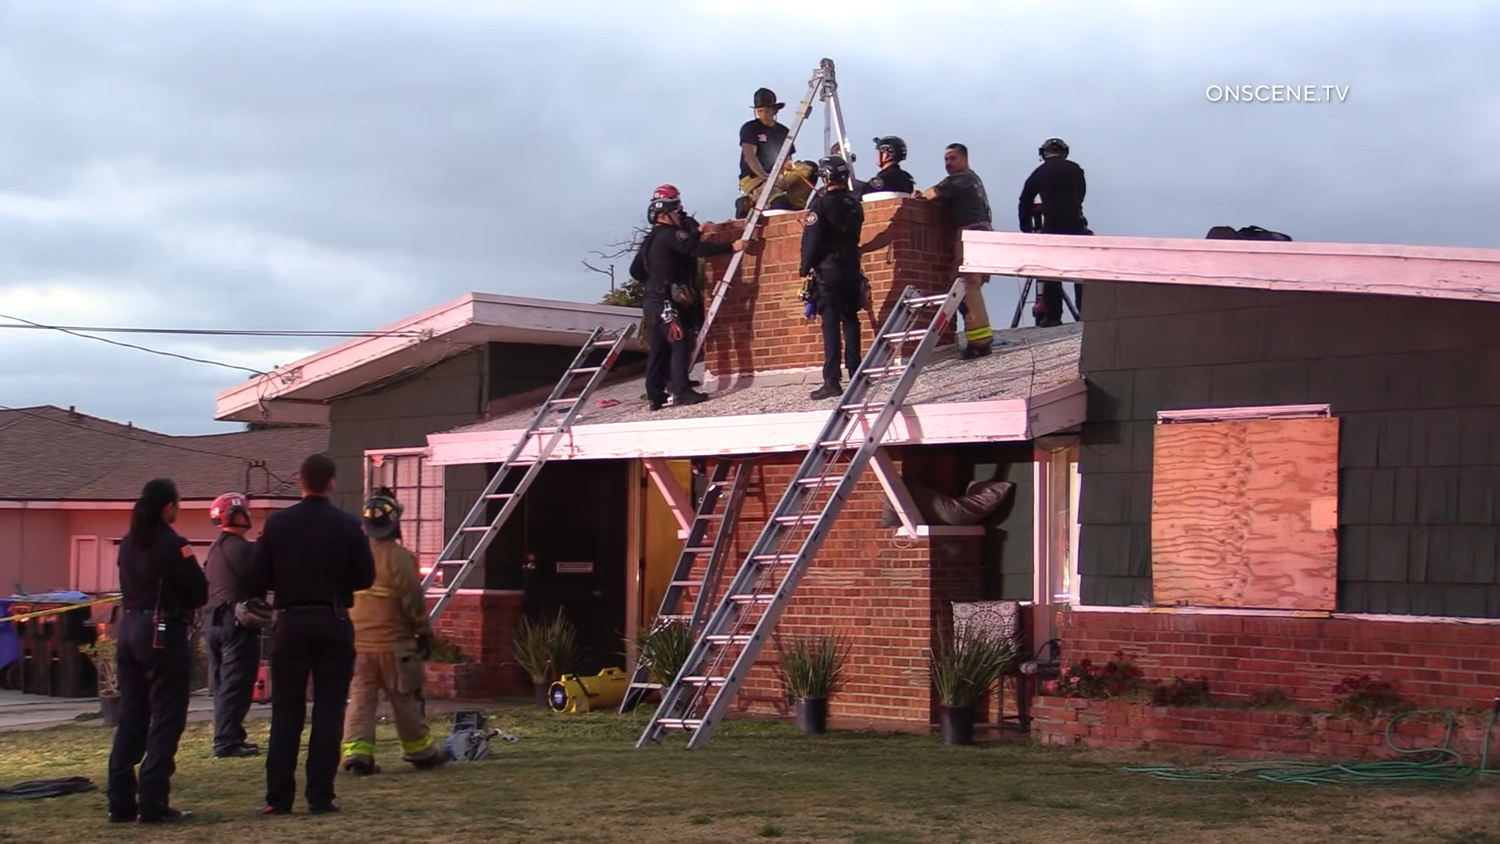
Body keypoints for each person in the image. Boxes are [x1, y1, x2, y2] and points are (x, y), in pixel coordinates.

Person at [248, 453, 376, 816]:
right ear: (331, 483)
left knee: (286, 712)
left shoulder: (276, 525)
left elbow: (256, 579)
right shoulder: (348, 525)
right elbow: (365, 577)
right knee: (328, 711)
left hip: (289, 620)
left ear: (301, 482)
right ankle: (320, 796)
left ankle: (278, 798)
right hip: (333, 618)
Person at [106, 477, 208, 824]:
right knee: (166, 717)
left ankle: (120, 800)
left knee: (131, 717)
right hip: (162, 633)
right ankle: (152, 800)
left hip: (130, 629)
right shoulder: (173, 544)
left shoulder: (128, 543)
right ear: (169, 507)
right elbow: (199, 591)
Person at [339, 488, 444, 776]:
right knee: (404, 698)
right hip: (396, 646)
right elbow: (413, 600)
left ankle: (357, 755)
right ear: (395, 522)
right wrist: (423, 631)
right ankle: (420, 752)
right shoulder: (400, 558)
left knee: (361, 699)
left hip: (359, 644)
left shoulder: (352, 555)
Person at [629, 187, 746, 410]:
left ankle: (655, 395)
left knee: (658, 349)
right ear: (665, 214)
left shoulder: (650, 241)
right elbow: (695, 249)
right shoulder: (670, 235)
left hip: (651, 302)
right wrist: (731, 246)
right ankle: (681, 390)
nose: (679, 216)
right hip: (667, 302)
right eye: (676, 212)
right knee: (679, 344)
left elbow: (636, 271)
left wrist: (657, 274)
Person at [918, 143, 995, 359]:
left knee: (966, 285)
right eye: (945, 159)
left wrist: (919, 197)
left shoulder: (960, 179)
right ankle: (981, 337)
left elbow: (933, 194)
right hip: (981, 233)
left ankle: (979, 342)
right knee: (972, 286)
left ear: (964, 158)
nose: (948, 164)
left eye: (952, 158)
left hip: (970, 234)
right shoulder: (974, 179)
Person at [801, 155, 867, 400]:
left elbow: (811, 240)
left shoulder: (820, 205)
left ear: (825, 177)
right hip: (852, 269)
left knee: (830, 325)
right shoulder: (855, 203)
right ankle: (856, 372)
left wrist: (804, 267)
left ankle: (831, 380)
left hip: (829, 272)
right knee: (851, 321)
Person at [203, 491, 263, 759]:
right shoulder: (243, 549)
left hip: (212, 621)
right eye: (246, 511)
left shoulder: (216, 549)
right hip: (235, 624)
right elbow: (263, 580)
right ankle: (226, 742)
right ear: (237, 515)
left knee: (221, 682)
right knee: (236, 682)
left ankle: (231, 735)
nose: (249, 515)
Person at [1018, 138, 1091, 326]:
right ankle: (1086, 312)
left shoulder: (1039, 173)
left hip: (1052, 229)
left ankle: (1053, 316)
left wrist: (1025, 226)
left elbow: (1025, 200)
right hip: (1077, 227)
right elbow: (1080, 195)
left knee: (1051, 273)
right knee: (1082, 272)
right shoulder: (1075, 170)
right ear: (1064, 152)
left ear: (1044, 154)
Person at [736, 87, 815, 218]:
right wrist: (764, 175)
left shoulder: (783, 131)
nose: (763, 114)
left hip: (777, 177)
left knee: (810, 169)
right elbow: (749, 156)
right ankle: (751, 201)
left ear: (774, 110)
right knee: (780, 204)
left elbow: (787, 159)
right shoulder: (750, 128)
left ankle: (795, 204)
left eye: (766, 110)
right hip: (755, 179)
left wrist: (789, 167)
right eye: (759, 111)